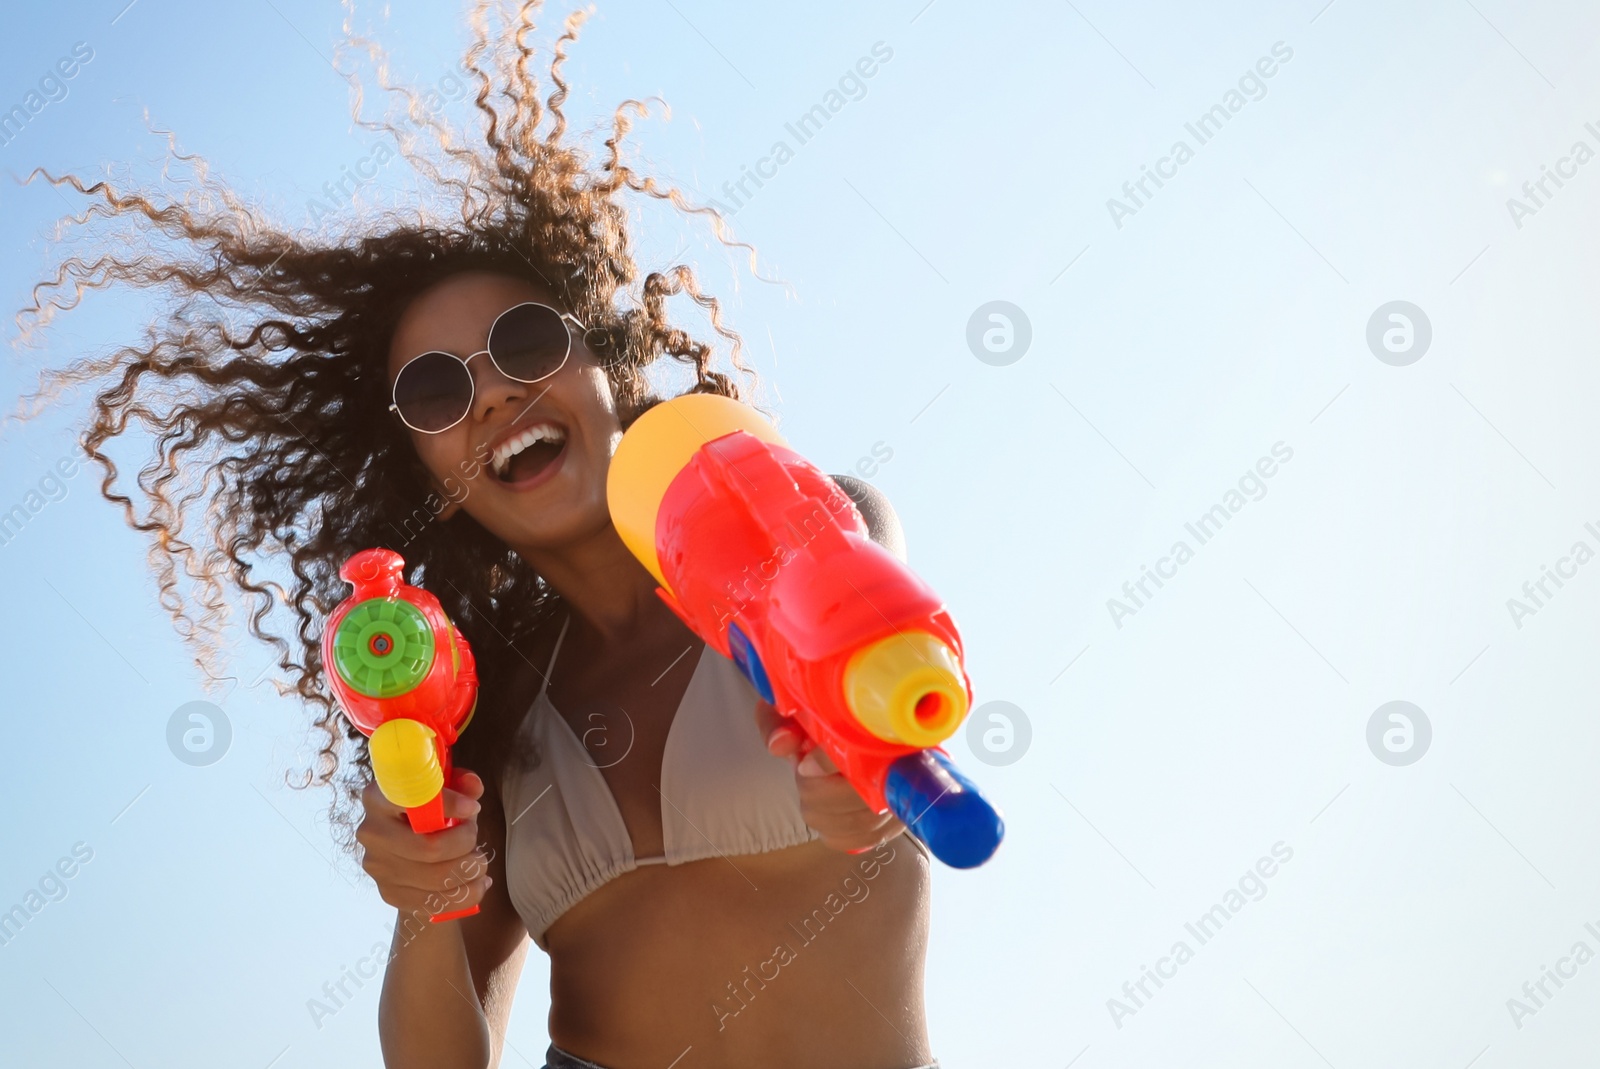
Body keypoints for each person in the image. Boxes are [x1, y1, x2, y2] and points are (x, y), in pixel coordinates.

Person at [17, 5, 939, 1068]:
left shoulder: (800, 532)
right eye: (435, 390)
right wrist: (425, 899)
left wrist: (867, 770)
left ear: (608, 362)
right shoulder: (493, 718)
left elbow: (870, 668)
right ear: (426, 481)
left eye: (525, 339)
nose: (494, 395)